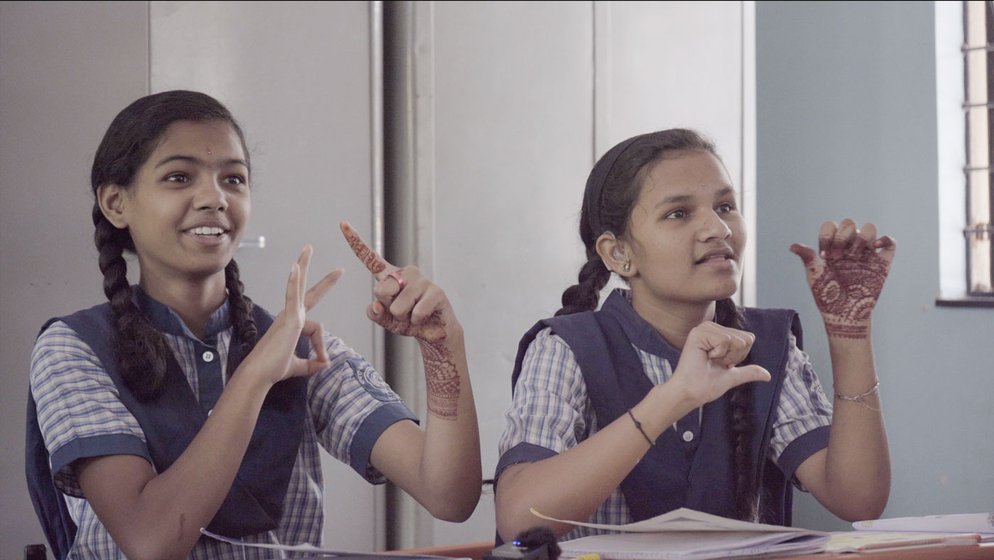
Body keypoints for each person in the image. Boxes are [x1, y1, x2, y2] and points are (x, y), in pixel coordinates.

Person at [26, 90, 482, 560]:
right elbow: (150, 540)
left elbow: (448, 495)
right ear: (116, 203)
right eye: (179, 177)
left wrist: (443, 346)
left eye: (234, 179)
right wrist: (255, 375)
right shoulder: (74, 348)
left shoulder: (298, 346)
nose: (214, 198)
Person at [493, 128, 894, 542]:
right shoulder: (565, 348)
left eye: (725, 206)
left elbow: (858, 500)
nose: (717, 227)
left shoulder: (767, 344)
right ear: (618, 253)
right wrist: (675, 396)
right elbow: (523, 520)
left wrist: (850, 333)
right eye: (679, 213)